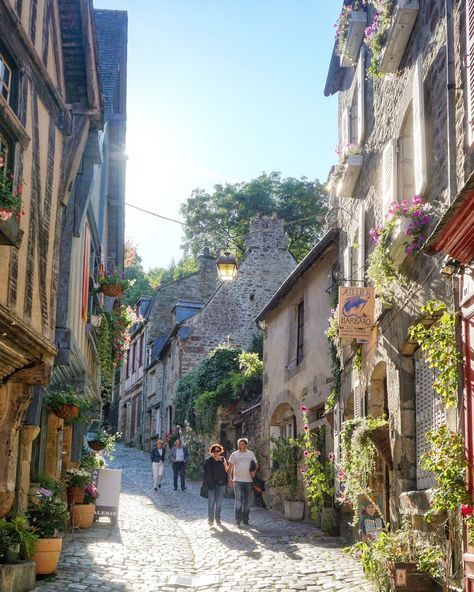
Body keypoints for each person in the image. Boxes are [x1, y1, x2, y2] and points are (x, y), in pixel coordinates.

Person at [228, 438, 258, 526]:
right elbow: (230, 468)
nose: (240, 446)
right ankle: (238, 519)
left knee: (248, 501)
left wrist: (254, 471)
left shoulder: (250, 454)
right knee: (238, 500)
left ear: (245, 445)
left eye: (242, 444)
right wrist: (229, 479)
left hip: (249, 481)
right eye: (239, 444)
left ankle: (245, 518)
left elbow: (256, 464)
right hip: (237, 481)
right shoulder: (234, 455)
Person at [203, 444, 229, 527]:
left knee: (218, 503)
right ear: (212, 452)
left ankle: (218, 518)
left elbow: (227, 470)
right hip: (211, 485)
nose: (216, 453)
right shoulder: (208, 461)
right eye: (214, 451)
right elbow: (206, 473)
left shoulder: (223, 459)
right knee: (211, 503)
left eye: (218, 451)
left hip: (221, 484)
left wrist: (229, 478)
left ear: (220, 451)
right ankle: (211, 519)